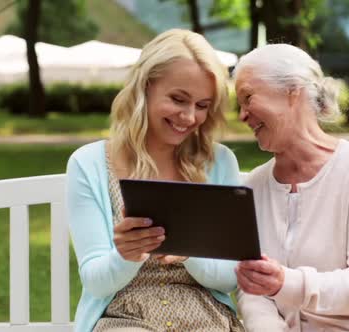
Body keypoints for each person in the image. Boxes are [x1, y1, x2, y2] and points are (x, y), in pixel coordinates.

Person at [233, 44, 349, 331]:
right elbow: (253, 289)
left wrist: (285, 283)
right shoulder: (255, 187)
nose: (242, 115)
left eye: (248, 98)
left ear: (292, 91)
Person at [66, 29, 243, 332]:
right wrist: (125, 255)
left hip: (206, 317)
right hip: (124, 319)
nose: (189, 117)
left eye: (202, 105)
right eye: (178, 99)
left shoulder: (219, 162)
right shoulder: (89, 163)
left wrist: (191, 253)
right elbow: (95, 282)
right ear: (145, 87)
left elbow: (229, 277)